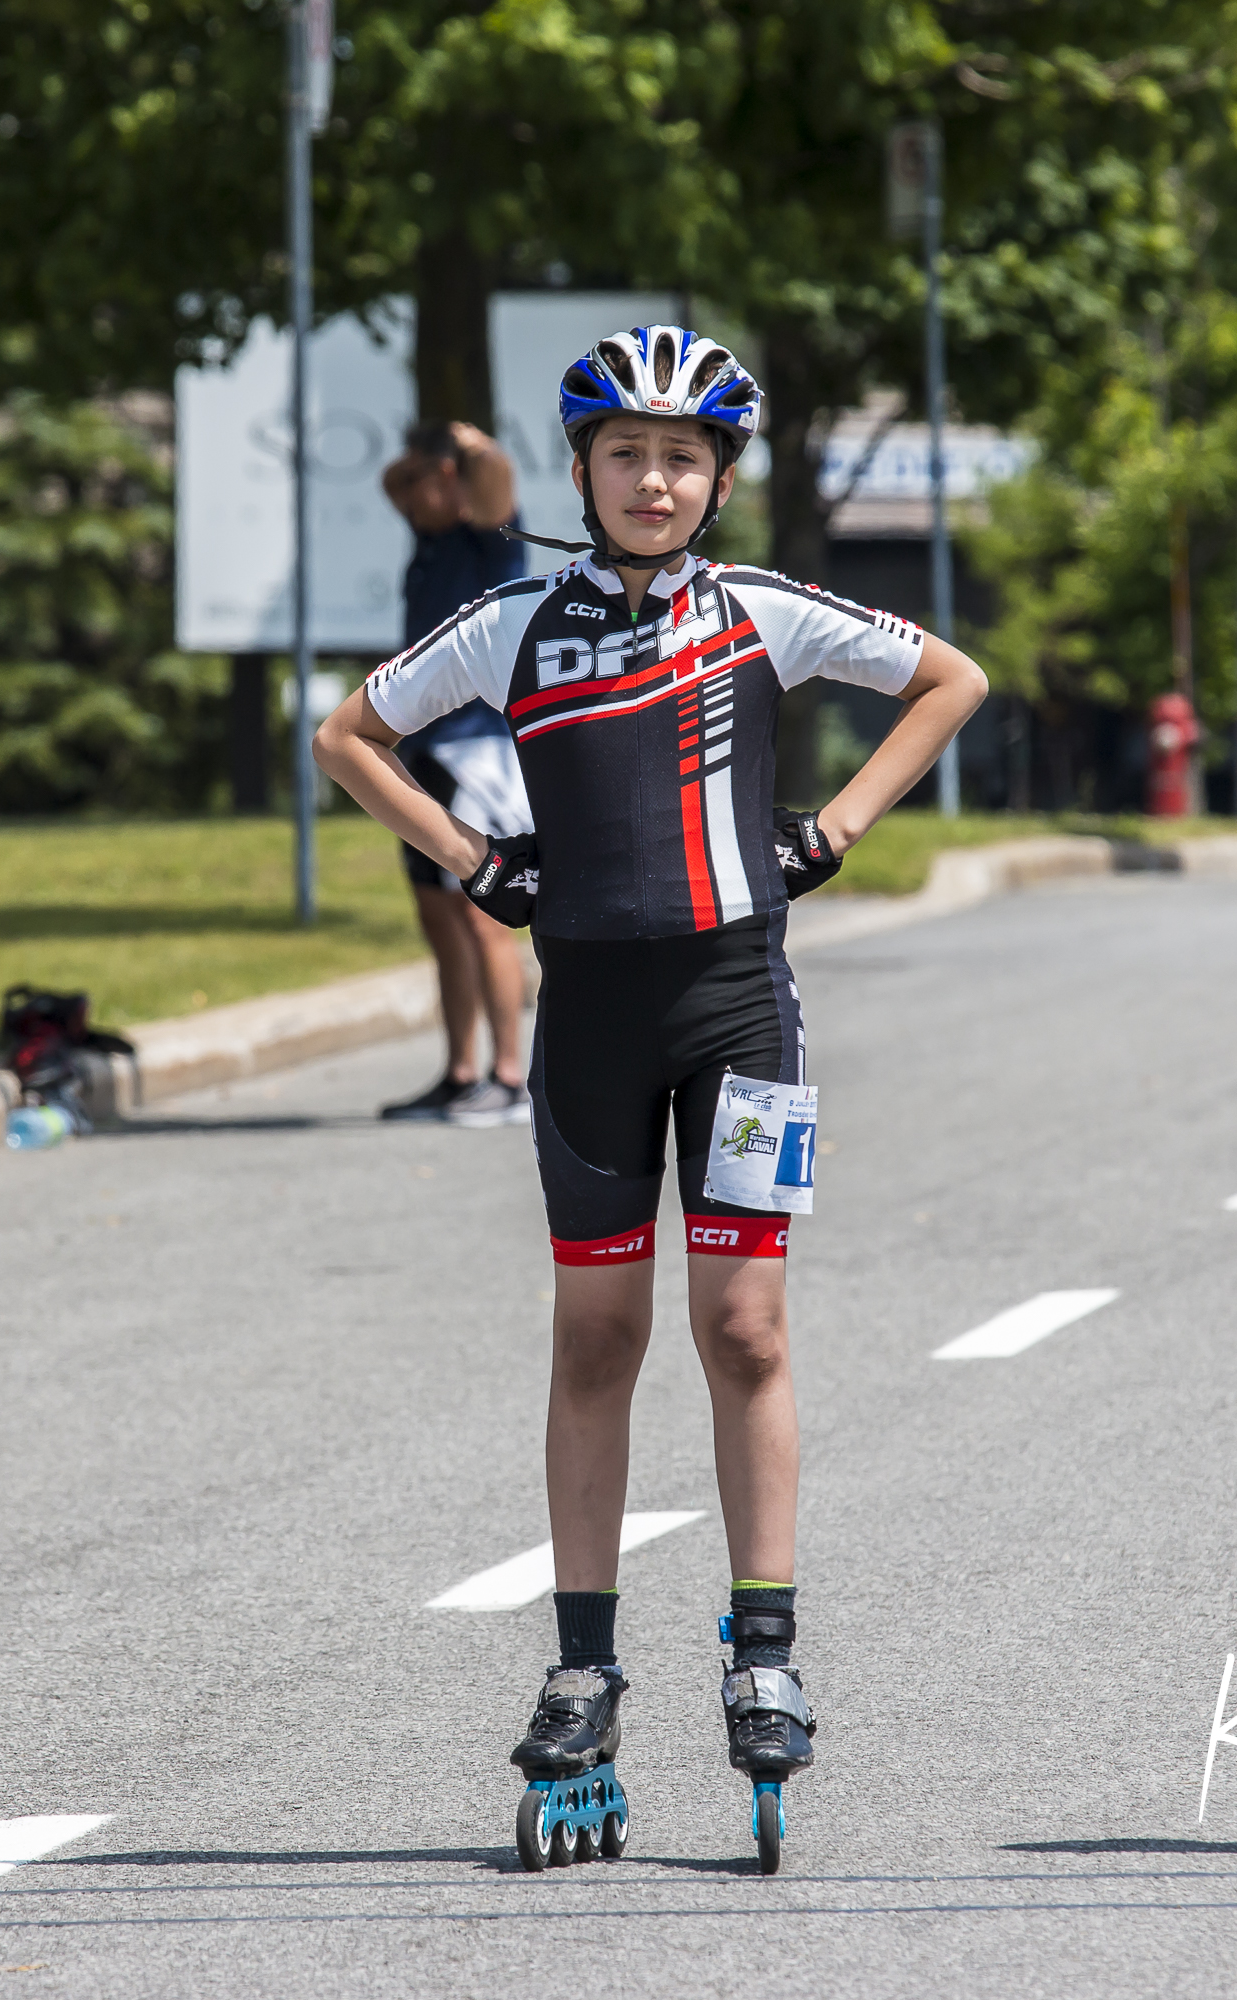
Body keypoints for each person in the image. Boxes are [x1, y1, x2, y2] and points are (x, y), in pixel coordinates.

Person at [312, 326, 986, 1864]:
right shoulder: (508, 625)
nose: (657, 480)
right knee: (597, 1336)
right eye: (628, 454)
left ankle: (763, 1644)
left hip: (742, 1010)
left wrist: (842, 827)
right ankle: (583, 1657)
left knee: (743, 1327)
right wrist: (472, 861)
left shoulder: (757, 609)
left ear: (723, 479)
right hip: (592, 1027)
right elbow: (348, 735)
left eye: (686, 457)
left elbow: (952, 678)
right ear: (583, 470)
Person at [376, 420, 534, 1127]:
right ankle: (460, 1072)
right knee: (438, 919)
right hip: (423, 752)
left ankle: (510, 1076)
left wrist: (470, 450)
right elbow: (392, 486)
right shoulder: (431, 538)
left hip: (479, 753)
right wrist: (428, 461)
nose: (415, 495)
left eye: (432, 480)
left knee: (482, 917)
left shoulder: (487, 536)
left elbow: (496, 480)